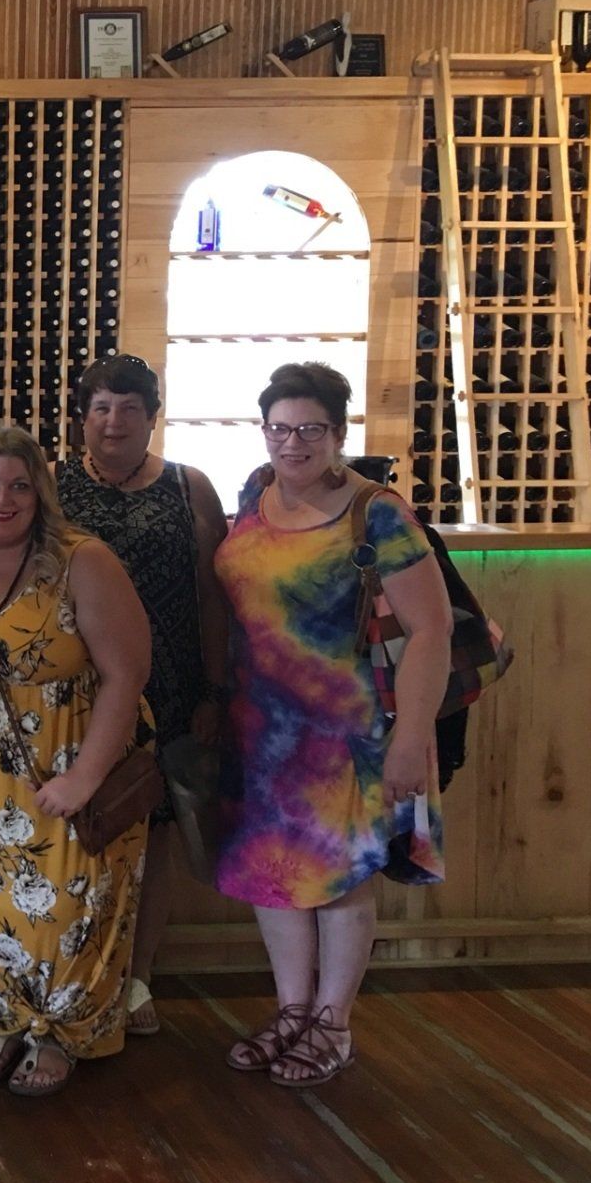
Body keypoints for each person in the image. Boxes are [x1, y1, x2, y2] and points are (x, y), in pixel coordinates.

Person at [214, 363, 450, 1086]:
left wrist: (413, 736)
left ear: (338, 433)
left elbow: (432, 630)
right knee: (274, 872)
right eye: (280, 428)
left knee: (342, 874)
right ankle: (292, 1012)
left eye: (310, 429)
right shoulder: (257, 491)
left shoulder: (375, 512)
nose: (293, 443)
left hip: (348, 731)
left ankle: (333, 1025)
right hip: (264, 726)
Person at [0, 425, 153, 1097]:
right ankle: (9, 1015)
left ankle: (62, 1032)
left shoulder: (82, 560)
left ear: (41, 493)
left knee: (66, 915)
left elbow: (127, 672)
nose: (2, 498)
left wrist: (85, 778)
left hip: (70, 768)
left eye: (19, 485)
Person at [55, 354, 229, 1037]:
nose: (113, 420)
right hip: (78, 687)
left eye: (129, 407)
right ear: (82, 418)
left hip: (169, 684)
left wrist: (214, 686)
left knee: (152, 835)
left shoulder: (189, 487)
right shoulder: (53, 484)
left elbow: (211, 596)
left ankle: (137, 979)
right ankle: (77, 972)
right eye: (100, 407)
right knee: (84, 831)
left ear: (152, 416)